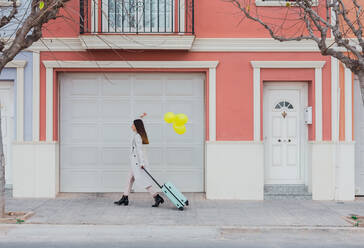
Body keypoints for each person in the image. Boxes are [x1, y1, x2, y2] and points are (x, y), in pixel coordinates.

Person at [114, 113, 164, 207]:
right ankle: (125, 198)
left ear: (136, 126)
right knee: (129, 180)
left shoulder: (137, 136)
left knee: (143, 181)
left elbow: (139, 150)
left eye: (133, 124)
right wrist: (140, 117)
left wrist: (141, 163)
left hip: (138, 163)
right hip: (135, 163)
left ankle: (157, 196)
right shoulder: (139, 135)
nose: (131, 126)